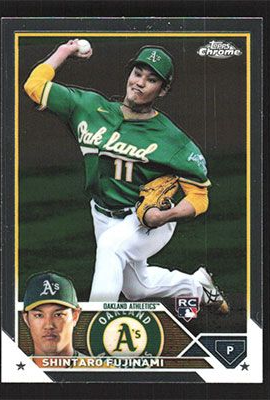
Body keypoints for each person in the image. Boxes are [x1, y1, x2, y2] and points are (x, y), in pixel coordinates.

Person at [23, 39, 228, 314]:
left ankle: (94, 323)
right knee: (137, 288)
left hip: (144, 219)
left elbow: (199, 197)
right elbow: (34, 86)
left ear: (163, 90)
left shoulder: (173, 140)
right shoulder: (88, 108)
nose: (139, 83)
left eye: (151, 79)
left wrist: (165, 216)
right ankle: (197, 286)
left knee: (111, 247)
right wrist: (65, 51)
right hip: (101, 213)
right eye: (137, 73)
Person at [22, 271, 84, 357]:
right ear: (26, 319)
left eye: (58, 315)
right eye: (39, 315)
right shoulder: (11, 366)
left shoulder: (98, 366)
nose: (49, 325)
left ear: (75, 316)